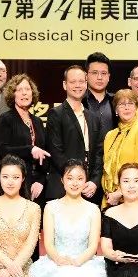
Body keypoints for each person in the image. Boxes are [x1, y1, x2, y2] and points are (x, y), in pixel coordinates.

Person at [12, 159, 138, 277]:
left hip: (84, 261)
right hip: (57, 260)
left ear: (85, 181)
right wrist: (59, 259)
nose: (75, 182)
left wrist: (79, 261)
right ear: (62, 180)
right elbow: (48, 243)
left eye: (80, 178)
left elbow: (93, 245)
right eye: (70, 178)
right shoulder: (50, 207)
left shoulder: (93, 209)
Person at [0, 74, 52, 203]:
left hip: (37, 185)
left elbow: (45, 153)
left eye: (27, 89)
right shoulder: (6, 119)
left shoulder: (37, 121)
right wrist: (30, 149)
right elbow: (1, 150)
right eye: (19, 90)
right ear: (13, 94)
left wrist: (40, 181)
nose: (24, 93)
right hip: (14, 182)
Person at [49, 65, 102, 205]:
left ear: (86, 84)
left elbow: (98, 153)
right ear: (65, 85)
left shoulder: (93, 117)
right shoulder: (56, 114)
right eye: (73, 82)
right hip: (64, 187)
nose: (77, 85)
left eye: (81, 81)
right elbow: (56, 152)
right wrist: (75, 179)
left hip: (89, 189)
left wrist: (94, 181)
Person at [101, 90, 138, 207]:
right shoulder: (110, 135)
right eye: (122, 104)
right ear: (116, 110)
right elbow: (106, 169)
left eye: (130, 103)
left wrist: (119, 193)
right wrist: (110, 193)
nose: (126, 107)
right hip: (110, 198)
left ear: (137, 108)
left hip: (135, 197)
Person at [83, 52, 114, 139]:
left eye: (103, 73)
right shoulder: (79, 101)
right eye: (94, 73)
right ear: (86, 76)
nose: (99, 77)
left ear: (108, 76)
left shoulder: (116, 101)